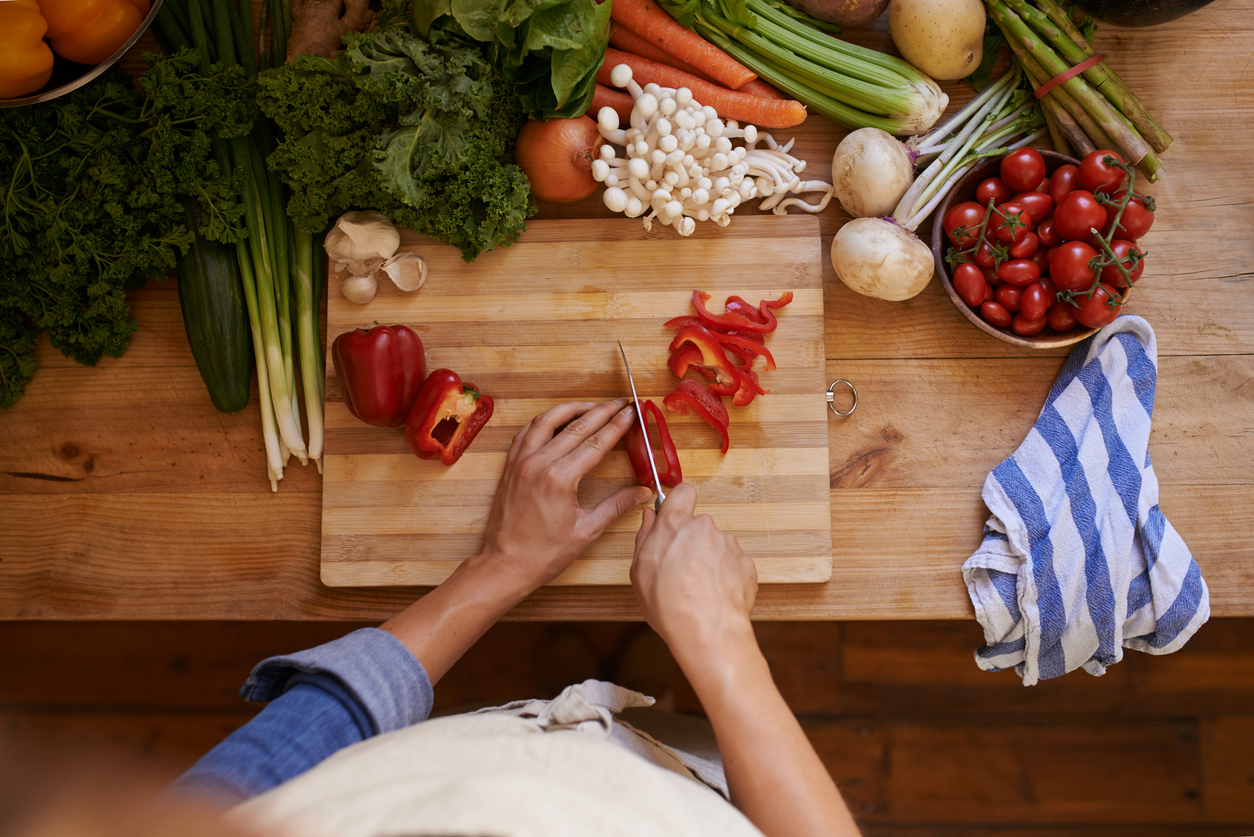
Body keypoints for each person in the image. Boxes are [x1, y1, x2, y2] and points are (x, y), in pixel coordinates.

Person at [167, 398, 861, 837]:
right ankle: (663, 705)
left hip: (471, 742)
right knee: (681, 731)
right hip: (678, 791)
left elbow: (284, 747)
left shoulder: (189, 826)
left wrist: (501, 565)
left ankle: (589, 695)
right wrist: (716, 635)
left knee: (559, 701)